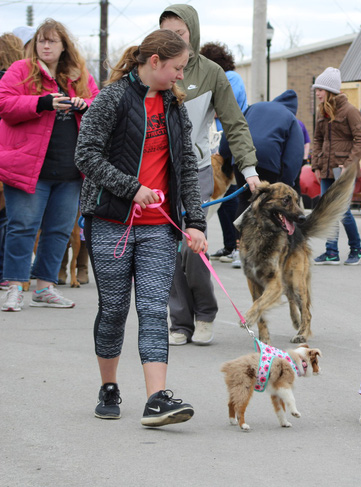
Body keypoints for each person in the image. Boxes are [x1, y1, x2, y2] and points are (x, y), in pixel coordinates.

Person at [75, 29, 207, 426]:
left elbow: (185, 165)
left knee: (152, 310)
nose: (180, 76)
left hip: (159, 229)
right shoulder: (112, 98)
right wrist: (131, 188)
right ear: (154, 62)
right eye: (177, 68)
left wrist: (196, 223)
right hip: (111, 223)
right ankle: (109, 387)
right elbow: (86, 155)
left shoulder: (173, 105)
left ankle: (156, 400)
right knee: (113, 310)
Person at [160, 4, 260, 347]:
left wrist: (249, 170)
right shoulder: (154, 69)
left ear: (193, 34)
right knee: (167, 247)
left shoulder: (211, 73)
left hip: (197, 169)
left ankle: (205, 313)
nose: (172, 40)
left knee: (194, 244)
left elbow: (234, 123)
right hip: (158, 173)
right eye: (166, 33)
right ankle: (180, 321)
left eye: (180, 34)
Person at [0, 19, 99, 312]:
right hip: (28, 166)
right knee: (23, 227)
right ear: (33, 46)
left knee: (58, 229)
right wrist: (41, 103)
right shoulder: (20, 70)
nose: (46, 46)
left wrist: (85, 105)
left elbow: (99, 104)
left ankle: (44, 286)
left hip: (69, 169)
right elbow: (4, 104)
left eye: (52, 41)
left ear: (63, 46)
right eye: (41, 41)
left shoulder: (78, 74)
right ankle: (15, 286)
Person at [310, 67, 361, 265]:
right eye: (316, 89)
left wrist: (348, 166)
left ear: (331, 91)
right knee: (327, 210)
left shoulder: (350, 111)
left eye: (321, 90)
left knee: (342, 211)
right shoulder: (322, 112)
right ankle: (331, 252)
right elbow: (317, 139)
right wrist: (316, 165)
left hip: (342, 169)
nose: (317, 93)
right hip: (326, 168)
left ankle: (356, 248)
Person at [199, 41, 248, 264]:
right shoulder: (217, 78)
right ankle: (230, 246)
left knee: (232, 198)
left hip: (228, 144)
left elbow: (222, 107)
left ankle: (239, 247)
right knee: (220, 202)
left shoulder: (231, 77)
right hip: (216, 145)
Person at [0, 32, 25, 290]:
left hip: (10, 155)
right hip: (13, 155)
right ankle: (8, 276)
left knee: (14, 221)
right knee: (10, 220)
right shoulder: (19, 79)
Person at [243, 89, 303, 188]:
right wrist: (286, 182)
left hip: (242, 157)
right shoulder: (291, 118)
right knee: (266, 201)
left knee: (244, 200)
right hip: (267, 162)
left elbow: (235, 128)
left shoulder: (254, 107)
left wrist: (224, 152)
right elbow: (294, 154)